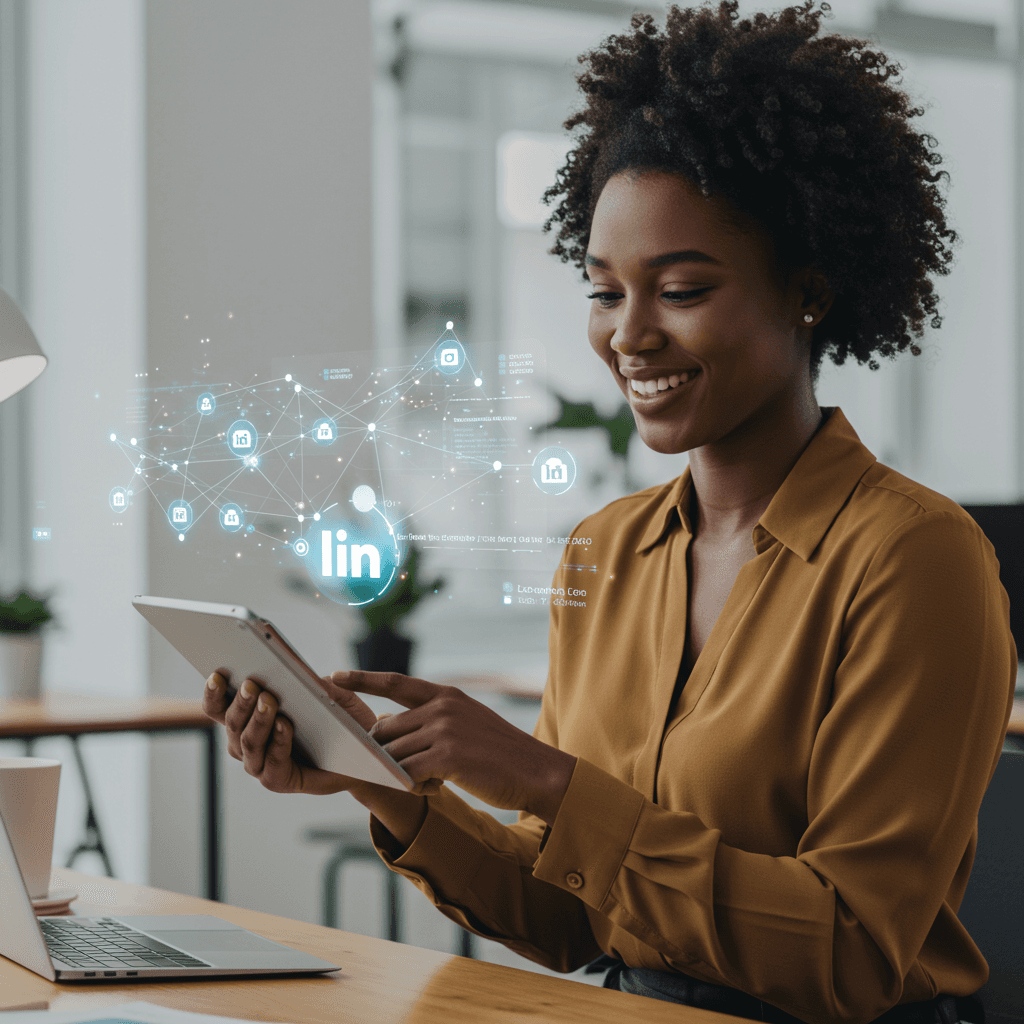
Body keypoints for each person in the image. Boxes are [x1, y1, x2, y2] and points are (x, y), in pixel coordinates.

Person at [202, 3, 1017, 1022]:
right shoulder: (610, 549)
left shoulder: (913, 558)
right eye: (603, 292)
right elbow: (570, 921)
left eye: (681, 290)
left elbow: (851, 952)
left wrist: (546, 779)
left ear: (807, 292)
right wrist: (379, 778)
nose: (628, 335)